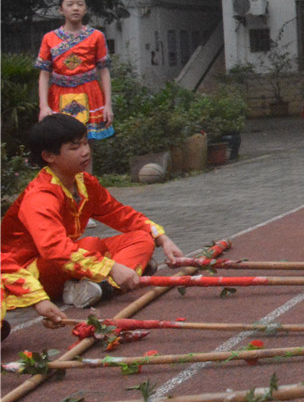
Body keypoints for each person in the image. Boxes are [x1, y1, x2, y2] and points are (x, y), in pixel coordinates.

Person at [1, 115, 184, 340]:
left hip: (68, 258)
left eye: (86, 143)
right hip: (29, 269)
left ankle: (101, 286)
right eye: (74, 147)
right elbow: (54, 249)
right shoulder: (39, 196)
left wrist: (162, 239)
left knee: (139, 238)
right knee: (91, 244)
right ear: (49, 157)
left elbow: (119, 213)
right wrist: (110, 267)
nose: (85, 151)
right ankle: (108, 281)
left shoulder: (84, 182)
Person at [36, 0, 114, 140]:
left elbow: (103, 71)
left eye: (80, 4)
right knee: (60, 144)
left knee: (85, 144)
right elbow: (44, 74)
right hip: (58, 94)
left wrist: (108, 105)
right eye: (70, 4)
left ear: (85, 9)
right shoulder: (49, 38)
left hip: (90, 93)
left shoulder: (96, 36)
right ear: (61, 9)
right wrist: (44, 106)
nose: (75, 8)